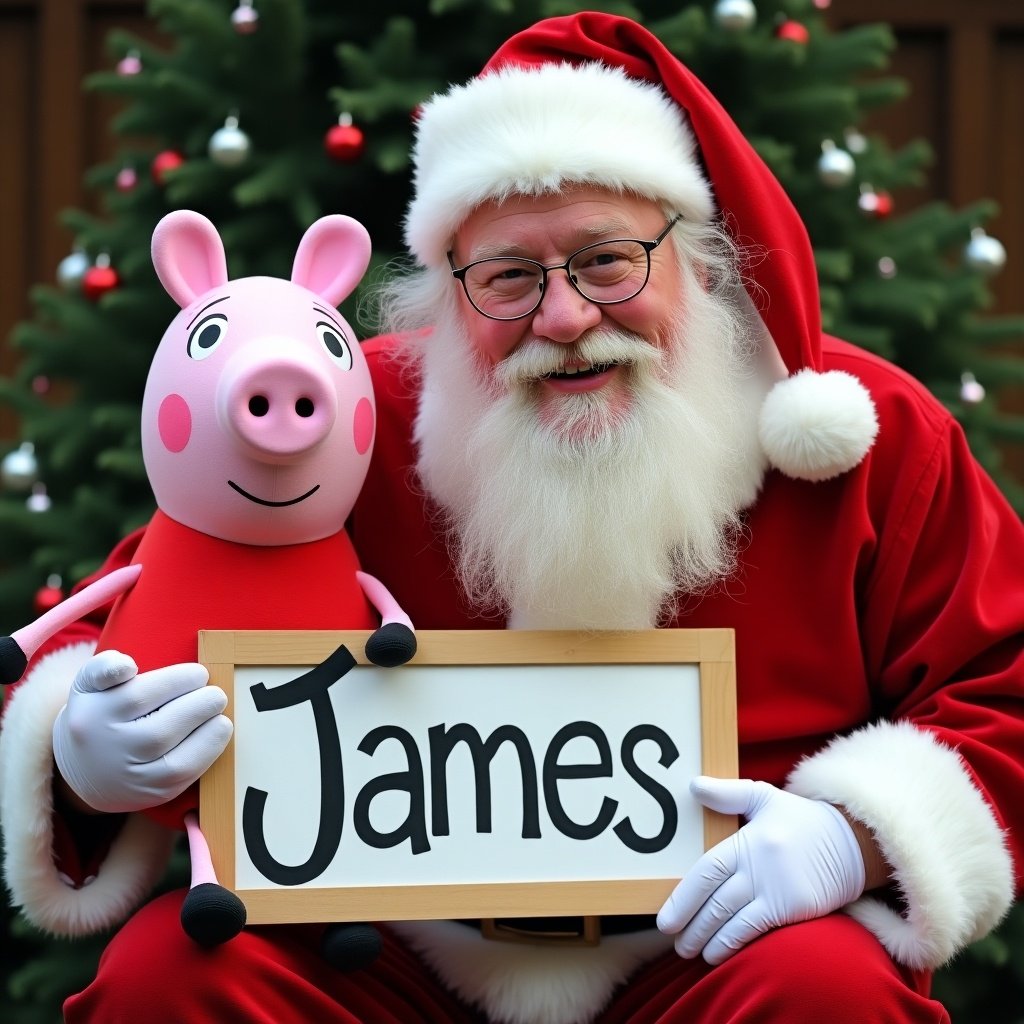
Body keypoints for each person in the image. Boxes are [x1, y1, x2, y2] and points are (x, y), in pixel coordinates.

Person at [1, 11, 1021, 1024]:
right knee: (169, 978)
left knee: (824, 991)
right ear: (449, 296)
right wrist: (87, 752)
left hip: (718, 941)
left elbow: (1004, 682)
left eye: (607, 261)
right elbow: (138, 614)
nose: (565, 318)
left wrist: (852, 835)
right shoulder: (343, 418)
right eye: (508, 279)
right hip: (380, 954)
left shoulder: (864, 433)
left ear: (696, 263)